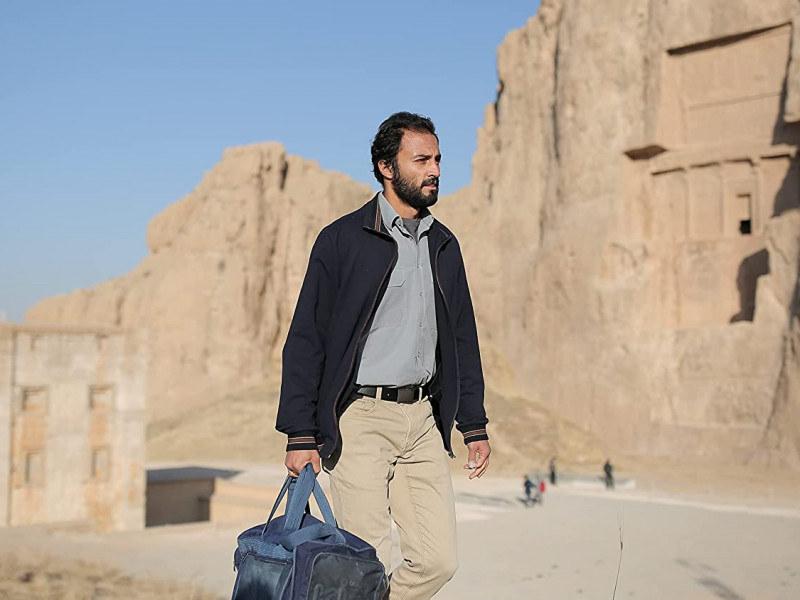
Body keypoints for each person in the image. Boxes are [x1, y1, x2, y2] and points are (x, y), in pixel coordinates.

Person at [276, 112, 491, 599]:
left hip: (423, 421)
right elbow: (307, 337)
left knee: (438, 560)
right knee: (363, 562)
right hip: (360, 420)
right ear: (386, 167)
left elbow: (463, 338)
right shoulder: (343, 239)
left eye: (438, 159)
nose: (435, 170)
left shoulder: (444, 244)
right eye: (421, 160)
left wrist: (473, 424)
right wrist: (300, 432)